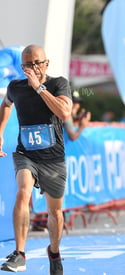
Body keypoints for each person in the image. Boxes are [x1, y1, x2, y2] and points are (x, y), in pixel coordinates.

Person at [0, 45, 72, 274]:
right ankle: (20, 253)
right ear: (21, 67)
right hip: (26, 154)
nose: (32, 69)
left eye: (37, 63)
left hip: (52, 157)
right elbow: (6, 105)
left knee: (55, 213)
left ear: (46, 63)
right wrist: (0, 132)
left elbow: (64, 113)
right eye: (27, 65)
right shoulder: (15, 87)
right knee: (22, 192)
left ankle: (54, 250)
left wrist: (39, 88)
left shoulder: (58, 83)